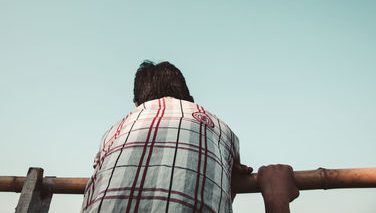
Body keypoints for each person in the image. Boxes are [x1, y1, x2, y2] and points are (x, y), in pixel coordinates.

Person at [81, 60, 299, 213]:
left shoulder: (115, 130)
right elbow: (220, 198)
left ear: (137, 105)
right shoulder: (219, 127)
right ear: (190, 100)